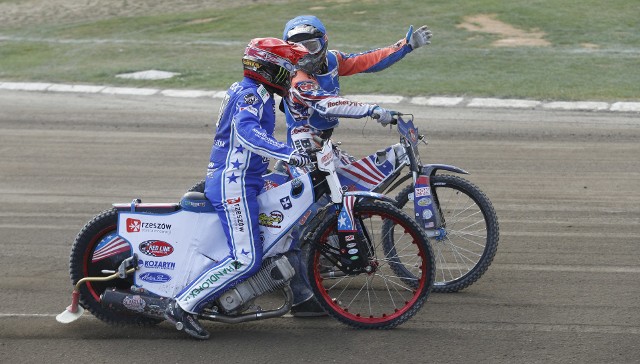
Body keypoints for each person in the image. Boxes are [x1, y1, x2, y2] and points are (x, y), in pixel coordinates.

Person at [280, 15, 433, 317]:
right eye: (296, 48)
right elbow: (328, 104)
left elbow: (368, 60)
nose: (305, 54)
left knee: (355, 193)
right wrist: (373, 110)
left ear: (323, 43)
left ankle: (330, 249)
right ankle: (300, 290)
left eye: (310, 45)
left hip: (324, 147)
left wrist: (406, 46)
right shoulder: (297, 79)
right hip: (303, 154)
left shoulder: (334, 61)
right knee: (299, 223)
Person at [164, 37, 313, 340]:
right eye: (287, 70)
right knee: (246, 258)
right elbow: (247, 132)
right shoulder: (252, 95)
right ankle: (182, 307)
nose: (292, 77)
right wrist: (288, 154)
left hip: (244, 179)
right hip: (236, 184)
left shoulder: (251, 90)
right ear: (268, 69)